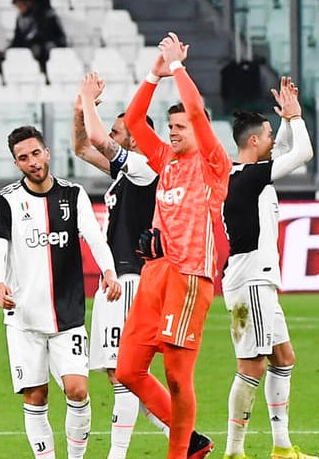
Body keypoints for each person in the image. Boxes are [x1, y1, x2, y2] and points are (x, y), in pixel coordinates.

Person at [115, 35, 223, 459]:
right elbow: (135, 121)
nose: (173, 132)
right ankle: (192, 439)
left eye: (179, 127)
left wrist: (178, 68)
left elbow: (195, 109)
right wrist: (152, 75)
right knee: (128, 370)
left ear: (197, 130)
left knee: (178, 377)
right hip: (155, 273)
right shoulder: (166, 161)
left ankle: (180, 453)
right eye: (172, 127)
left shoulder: (213, 163)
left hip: (190, 274)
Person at [0, 125, 121, 459]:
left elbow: (94, 236)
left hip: (68, 315)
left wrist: (108, 270)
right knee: (36, 397)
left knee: (77, 391)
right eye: (23, 158)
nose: (32, 162)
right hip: (23, 319)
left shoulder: (72, 194)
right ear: (16, 164)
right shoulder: (6, 201)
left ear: (47, 152)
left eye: (36, 153)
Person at [222, 79, 317, 459]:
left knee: (283, 358)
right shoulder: (249, 177)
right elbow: (303, 152)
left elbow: (289, 149)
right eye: (268, 136)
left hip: (256, 280)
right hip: (251, 283)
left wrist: (286, 119)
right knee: (252, 365)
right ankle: (235, 450)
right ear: (253, 144)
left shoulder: (250, 178)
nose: (273, 141)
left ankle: (280, 447)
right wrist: (295, 117)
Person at [73, 72, 161, 459]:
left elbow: (97, 142)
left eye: (118, 133)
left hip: (131, 278)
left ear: (136, 139)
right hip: (119, 277)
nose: (112, 137)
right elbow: (81, 147)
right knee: (121, 370)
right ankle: (184, 434)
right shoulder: (127, 174)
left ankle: (119, 454)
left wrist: (88, 101)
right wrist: (79, 110)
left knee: (122, 369)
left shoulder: (145, 170)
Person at [4, 0, 68, 78]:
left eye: (21, 6)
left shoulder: (45, 13)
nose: (20, 9)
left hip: (50, 44)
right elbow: (18, 37)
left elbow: (48, 34)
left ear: (28, 3)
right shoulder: (21, 18)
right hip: (33, 45)